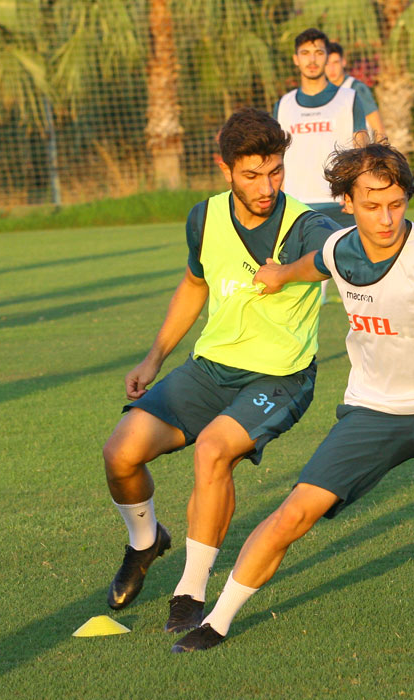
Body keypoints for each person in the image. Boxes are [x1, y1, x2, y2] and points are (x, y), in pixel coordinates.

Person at [170, 142, 414, 653]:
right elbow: (315, 264)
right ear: (346, 202)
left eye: (396, 204)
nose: (386, 218)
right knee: (293, 513)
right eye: (371, 205)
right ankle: (218, 620)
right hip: (374, 412)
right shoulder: (341, 248)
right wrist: (277, 275)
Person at [101, 107, 339, 636]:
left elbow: (335, 255)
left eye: (275, 170)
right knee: (120, 452)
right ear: (224, 168)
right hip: (210, 369)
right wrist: (153, 358)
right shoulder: (203, 217)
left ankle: (191, 589)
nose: (266, 185)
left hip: (280, 378)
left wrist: (289, 273)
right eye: (252, 174)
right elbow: (194, 284)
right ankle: (145, 542)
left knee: (214, 449)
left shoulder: (306, 224)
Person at [275, 28, 370, 304]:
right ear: (296, 59)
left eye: (318, 52)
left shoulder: (349, 98)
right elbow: (275, 158)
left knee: (360, 294)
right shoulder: (283, 105)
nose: (312, 59)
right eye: (305, 53)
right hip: (296, 207)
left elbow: (361, 147)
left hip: (339, 206)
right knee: (299, 299)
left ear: (328, 56)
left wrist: (359, 194)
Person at [325, 41, 386, 141]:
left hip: (359, 153)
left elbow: (378, 128)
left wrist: (382, 153)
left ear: (343, 62)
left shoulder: (356, 88)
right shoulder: (323, 92)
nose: (331, 69)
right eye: (327, 64)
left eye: (335, 62)